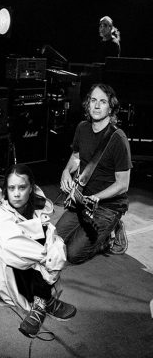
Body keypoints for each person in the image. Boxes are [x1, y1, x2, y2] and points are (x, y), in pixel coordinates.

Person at [0, 164, 76, 338]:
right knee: (24, 254)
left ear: (31, 188)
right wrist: (46, 258)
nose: (16, 194)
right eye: (11, 188)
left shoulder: (38, 204)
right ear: (6, 190)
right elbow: (12, 248)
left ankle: (43, 301)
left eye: (22, 187)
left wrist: (52, 251)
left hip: (40, 272)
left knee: (54, 244)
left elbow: (51, 238)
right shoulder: (3, 213)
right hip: (16, 273)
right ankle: (42, 303)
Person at [57, 83, 131, 264]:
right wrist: (66, 171)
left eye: (103, 102)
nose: (97, 106)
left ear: (110, 107)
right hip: (82, 201)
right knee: (54, 240)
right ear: (88, 104)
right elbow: (76, 157)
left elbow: (123, 184)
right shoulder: (82, 128)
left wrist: (97, 197)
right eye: (93, 100)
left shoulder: (118, 139)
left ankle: (110, 233)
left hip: (107, 207)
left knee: (73, 254)